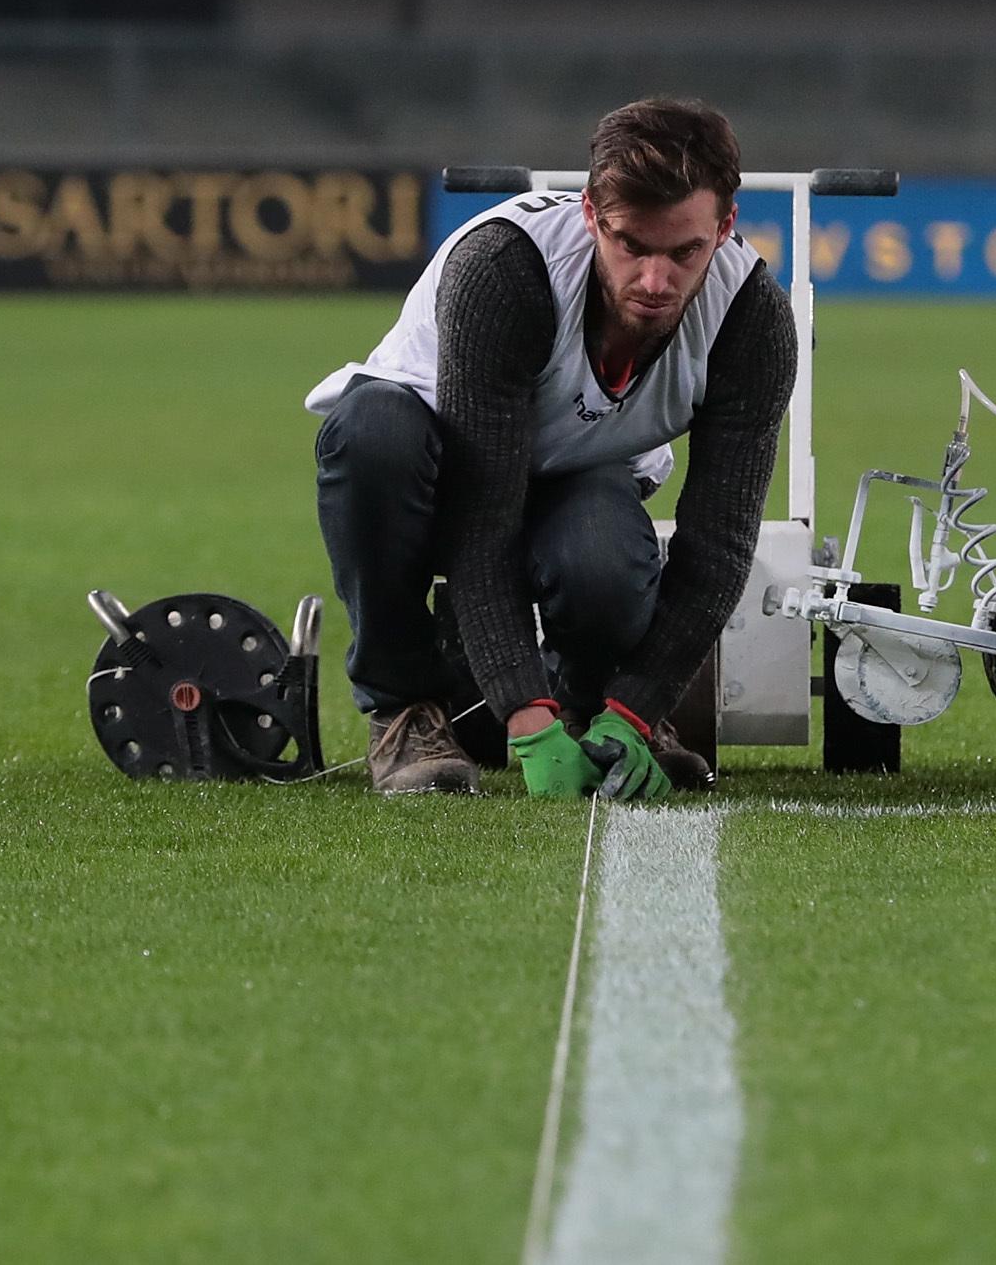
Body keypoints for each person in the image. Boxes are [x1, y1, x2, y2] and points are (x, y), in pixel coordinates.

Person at [303, 98, 797, 798]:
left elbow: (718, 544)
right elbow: (482, 515)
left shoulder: (752, 319)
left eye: (684, 252)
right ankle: (406, 709)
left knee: (600, 558)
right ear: (592, 216)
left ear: (725, 227)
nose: (655, 283)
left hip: (579, 472)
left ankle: (596, 706)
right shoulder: (504, 270)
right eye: (632, 246)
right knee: (371, 434)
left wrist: (638, 705)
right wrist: (524, 717)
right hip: (441, 468)